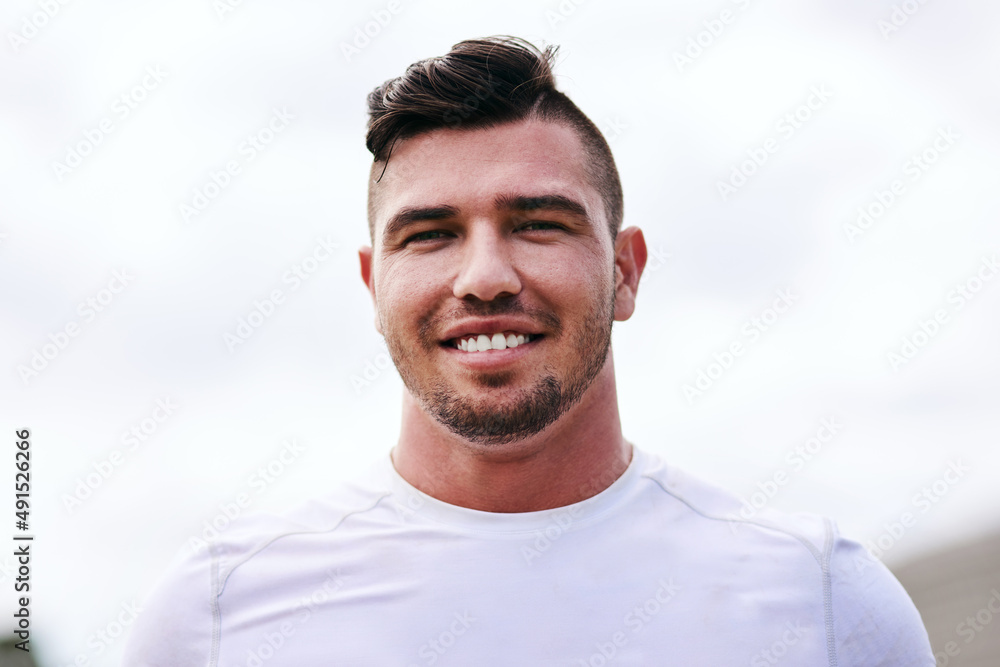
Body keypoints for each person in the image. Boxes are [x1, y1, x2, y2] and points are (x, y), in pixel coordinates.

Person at [124, 36, 935, 666]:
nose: (483, 277)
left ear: (624, 270)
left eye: (538, 223)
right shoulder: (217, 612)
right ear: (373, 285)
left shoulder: (823, 597)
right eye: (431, 234)